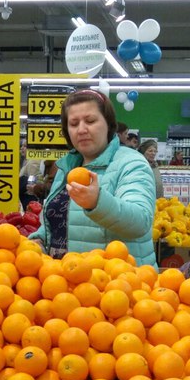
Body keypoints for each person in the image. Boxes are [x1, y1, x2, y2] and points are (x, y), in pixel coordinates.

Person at [29, 90, 156, 266]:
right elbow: (58, 220)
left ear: (108, 124)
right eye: (73, 124)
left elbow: (141, 221)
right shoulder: (67, 166)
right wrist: (39, 239)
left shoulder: (131, 163)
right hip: (64, 278)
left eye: (90, 121)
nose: (81, 130)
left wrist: (97, 202)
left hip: (117, 279)